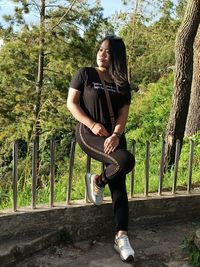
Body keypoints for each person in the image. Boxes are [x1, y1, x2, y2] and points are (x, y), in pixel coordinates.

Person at [67, 35, 135, 262]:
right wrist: (92, 124)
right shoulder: (85, 74)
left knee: (120, 178)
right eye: (100, 49)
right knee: (123, 162)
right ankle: (98, 182)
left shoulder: (122, 83)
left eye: (107, 51)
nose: (101, 54)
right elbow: (72, 103)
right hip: (89, 133)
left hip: (113, 136)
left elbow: (123, 114)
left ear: (116, 56)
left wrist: (116, 134)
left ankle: (121, 236)